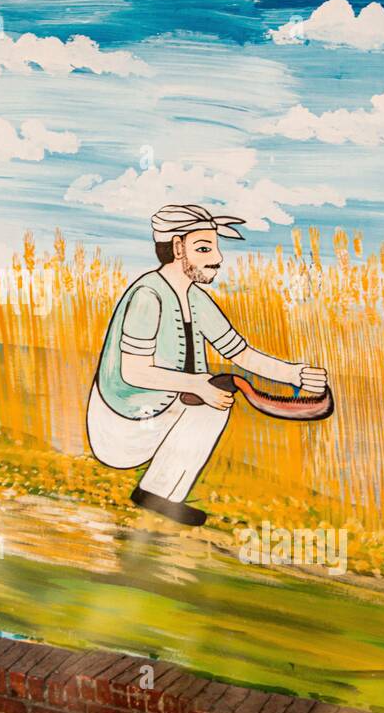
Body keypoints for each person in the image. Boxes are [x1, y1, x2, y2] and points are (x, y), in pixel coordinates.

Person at [87, 203, 328, 527]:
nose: (217, 258)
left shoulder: (196, 298)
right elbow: (133, 371)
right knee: (210, 393)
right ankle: (157, 493)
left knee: (218, 394)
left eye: (214, 247)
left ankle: (157, 494)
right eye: (204, 248)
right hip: (123, 423)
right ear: (177, 248)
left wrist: (293, 373)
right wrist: (198, 384)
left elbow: (239, 352)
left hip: (162, 413)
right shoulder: (148, 295)